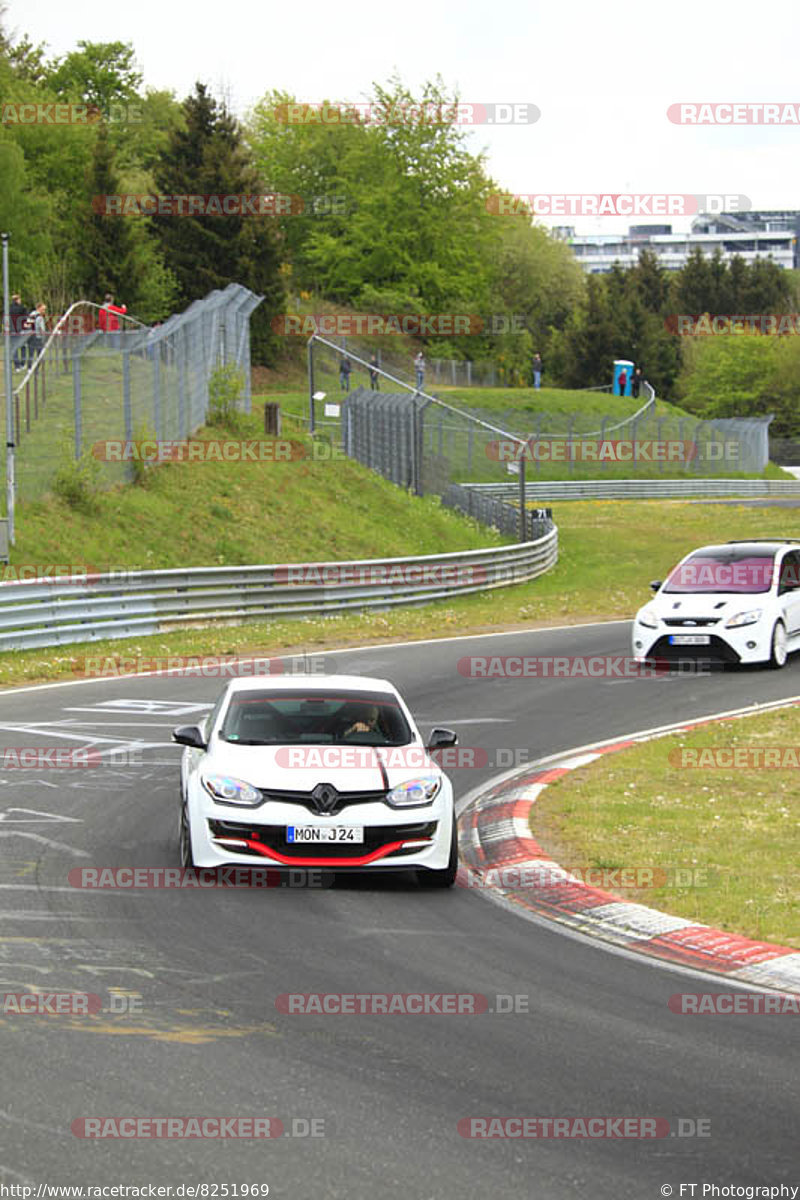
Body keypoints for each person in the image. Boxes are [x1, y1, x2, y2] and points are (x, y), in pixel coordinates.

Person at [9, 294, 28, 370]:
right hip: (20, 330)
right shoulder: (22, 308)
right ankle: (23, 364)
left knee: (14, 348)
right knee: (23, 347)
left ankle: (17, 366)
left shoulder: (9, 308)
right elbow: (26, 317)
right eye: (19, 299)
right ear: (17, 300)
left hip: (12, 330)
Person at [26, 302, 47, 367]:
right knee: (39, 354)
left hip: (30, 336)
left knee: (30, 353)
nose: (44, 311)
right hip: (38, 337)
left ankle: (29, 367)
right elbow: (42, 329)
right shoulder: (40, 317)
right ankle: (37, 367)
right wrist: (44, 336)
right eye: (43, 309)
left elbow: (27, 325)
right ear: (39, 308)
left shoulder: (31, 314)